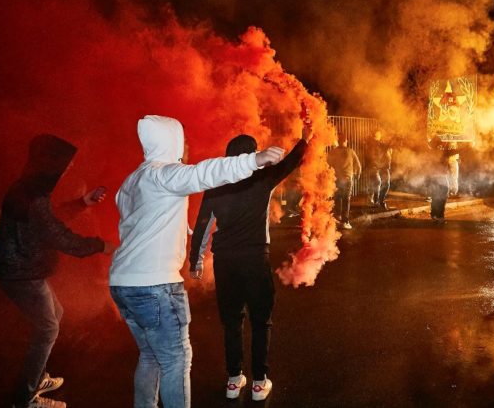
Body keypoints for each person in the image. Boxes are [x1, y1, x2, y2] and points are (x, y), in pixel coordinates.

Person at [109, 115, 284, 408]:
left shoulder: (131, 181)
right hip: (155, 285)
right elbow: (206, 173)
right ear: (170, 141)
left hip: (122, 282)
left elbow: (140, 222)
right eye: (181, 139)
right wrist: (255, 160)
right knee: (175, 360)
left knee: (151, 357)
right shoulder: (165, 173)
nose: (185, 145)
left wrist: (184, 234)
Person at [188, 125, 311, 402]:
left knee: (231, 322)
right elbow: (291, 161)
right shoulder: (261, 178)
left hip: (225, 263)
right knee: (261, 320)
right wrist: (305, 139)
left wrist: (195, 261)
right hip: (255, 260)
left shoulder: (217, 184)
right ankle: (258, 383)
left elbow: (203, 224)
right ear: (252, 154)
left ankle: (233, 380)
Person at [0, 134, 116, 408]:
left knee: (55, 315)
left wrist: (83, 202)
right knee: (48, 328)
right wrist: (100, 245)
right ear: (49, 164)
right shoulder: (33, 197)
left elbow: (49, 220)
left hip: (22, 270)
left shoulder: (27, 189)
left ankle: (35, 377)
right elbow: (60, 237)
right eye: (64, 163)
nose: (69, 167)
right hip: (21, 275)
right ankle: (25, 399)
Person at [328, 132, 361, 229]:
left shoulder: (333, 152)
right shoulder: (351, 151)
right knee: (346, 199)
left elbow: (328, 165)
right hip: (347, 179)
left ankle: (337, 217)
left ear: (338, 141)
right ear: (346, 141)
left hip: (337, 178)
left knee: (337, 197)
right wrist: (357, 175)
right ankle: (345, 221)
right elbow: (358, 165)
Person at [427, 136, 450, 224]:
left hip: (435, 177)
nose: (441, 146)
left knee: (436, 197)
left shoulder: (431, 153)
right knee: (441, 198)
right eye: (440, 144)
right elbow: (452, 152)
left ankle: (435, 215)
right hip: (440, 177)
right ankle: (439, 216)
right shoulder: (441, 152)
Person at [367, 130, 392, 209]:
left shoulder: (382, 144)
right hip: (375, 167)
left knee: (386, 184)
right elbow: (370, 156)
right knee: (377, 182)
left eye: (378, 134)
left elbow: (387, 153)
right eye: (375, 134)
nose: (376, 135)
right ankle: (376, 201)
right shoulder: (371, 144)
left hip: (384, 167)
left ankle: (381, 201)